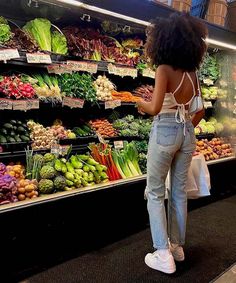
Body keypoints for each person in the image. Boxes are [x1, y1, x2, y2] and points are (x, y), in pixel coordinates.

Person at [136, 12, 207, 274]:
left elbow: (155, 108)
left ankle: (162, 253)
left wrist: (138, 104)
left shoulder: (163, 69)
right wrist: (185, 129)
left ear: (163, 42)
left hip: (165, 129)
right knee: (178, 193)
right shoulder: (193, 73)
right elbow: (199, 111)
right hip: (187, 130)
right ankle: (177, 247)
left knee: (155, 192)